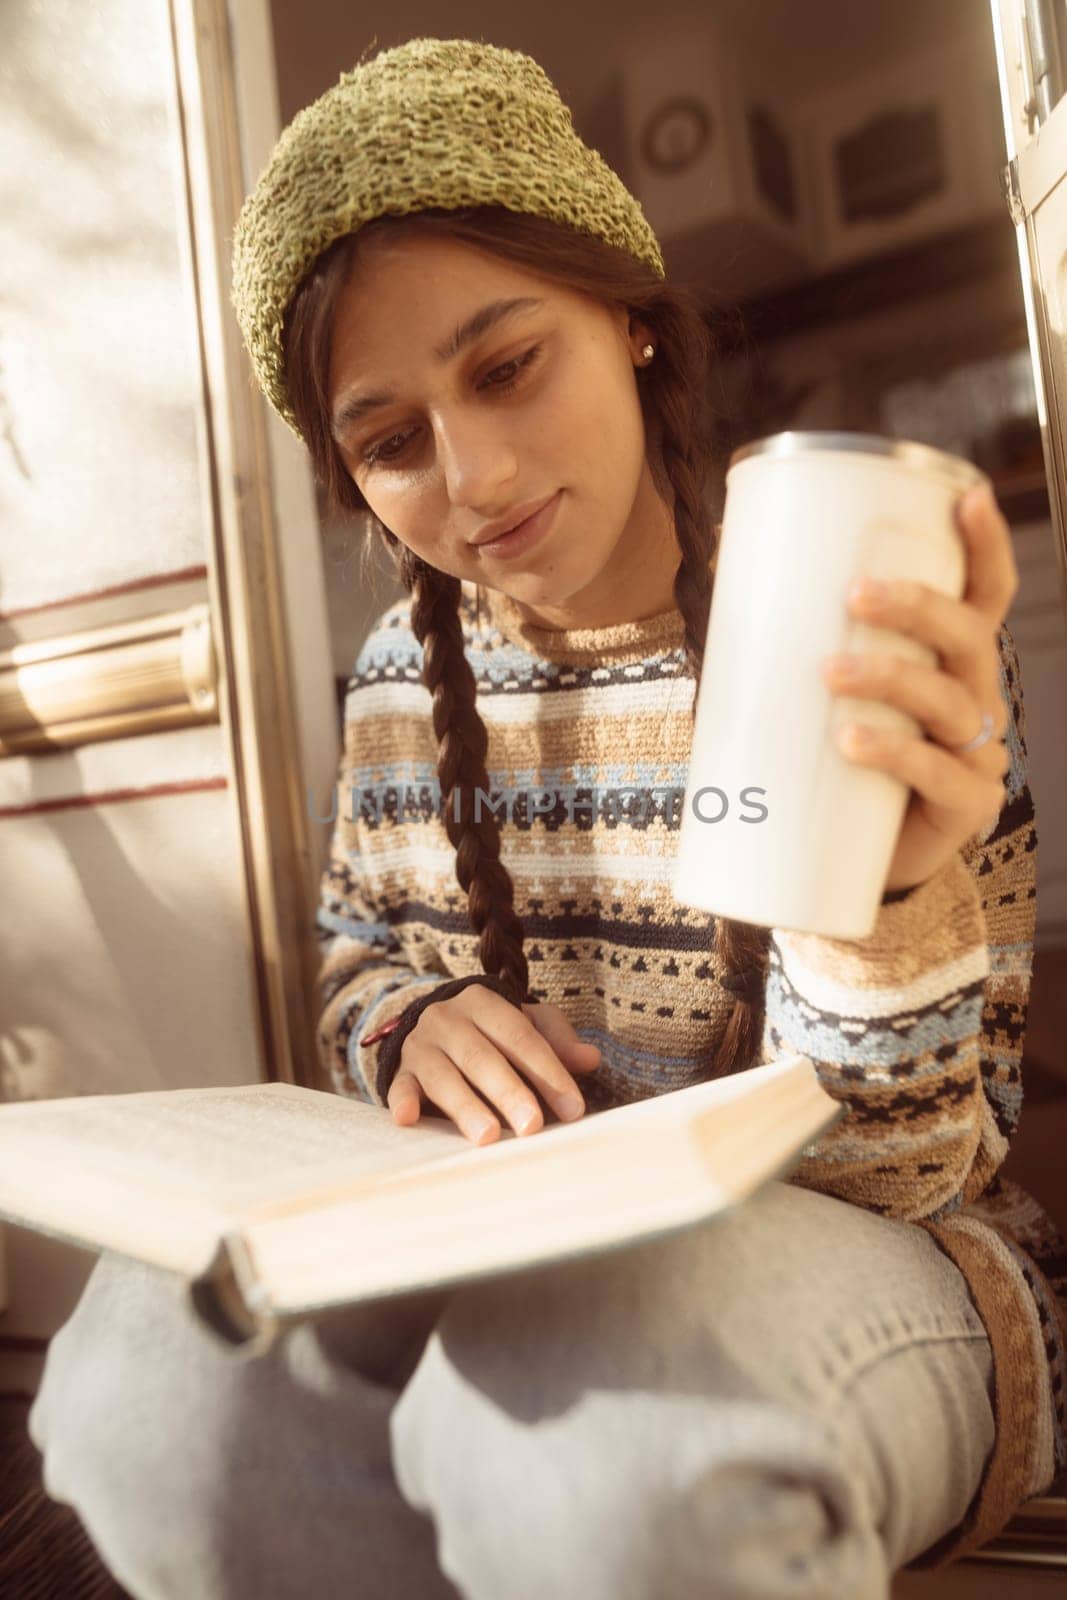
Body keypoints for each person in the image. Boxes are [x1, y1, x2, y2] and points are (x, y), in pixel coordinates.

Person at [28, 36, 1066, 1600]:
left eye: (507, 366)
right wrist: (410, 1022)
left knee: (584, 1435)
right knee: (137, 1379)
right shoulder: (401, 673)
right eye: (390, 442)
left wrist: (883, 908)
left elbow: (911, 1164)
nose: (477, 477)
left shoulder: (858, 636)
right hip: (512, 1245)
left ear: (633, 323)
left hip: (884, 1253)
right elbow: (358, 965)